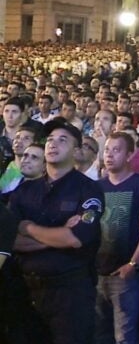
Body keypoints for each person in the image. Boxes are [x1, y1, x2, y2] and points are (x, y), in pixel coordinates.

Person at [8, 119, 104, 344]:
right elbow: (9, 239)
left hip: (70, 294)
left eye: (63, 140)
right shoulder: (25, 190)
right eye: (50, 139)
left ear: (77, 150)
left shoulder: (88, 189)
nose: (53, 144)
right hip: (25, 291)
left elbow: (75, 238)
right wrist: (56, 236)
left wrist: (28, 228)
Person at [96, 131, 139, 344]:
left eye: (116, 150)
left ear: (130, 155)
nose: (109, 155)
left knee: (125, 336)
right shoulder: (97, 187)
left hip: (126, 274)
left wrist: (133, 263)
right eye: (107, 150)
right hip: (97, 272)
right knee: (99, 334)